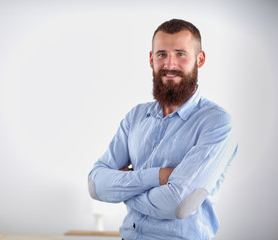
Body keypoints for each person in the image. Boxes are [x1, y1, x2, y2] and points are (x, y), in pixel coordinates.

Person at [88, 19, 238, 240]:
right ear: (151, 59)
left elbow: (179, 205)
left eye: (180, 54)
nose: (170, 64)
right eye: (161, 54)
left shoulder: (217, 123)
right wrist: (158, 177)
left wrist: (123, 192)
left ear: (200, 59)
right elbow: (95, 185)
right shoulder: (135, 117)